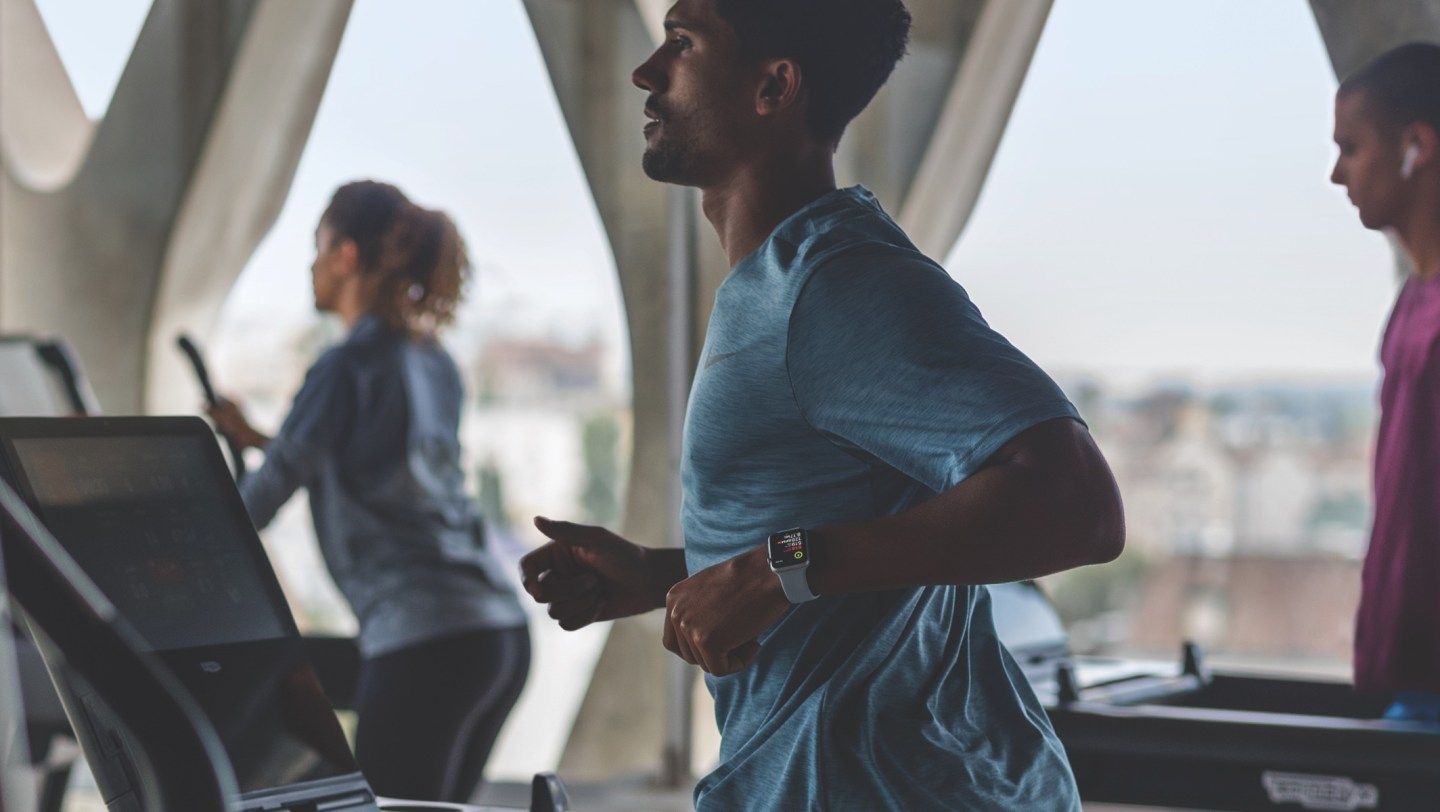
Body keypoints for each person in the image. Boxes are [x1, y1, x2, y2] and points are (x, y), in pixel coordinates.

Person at [519, 1, 1124, 808]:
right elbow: (846, 546)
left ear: (773, 88)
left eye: (683, 44)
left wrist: (777, 567)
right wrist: (665, 576)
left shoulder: (837, 286)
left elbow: (1079, 505)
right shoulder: (778, 287)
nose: (645, 72)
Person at [208, 180, 530, 801]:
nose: (311, 266)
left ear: (346, 256)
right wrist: (259, 438)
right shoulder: (430, 358)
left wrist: (180, 532)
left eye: (318, 247)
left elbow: (260, 503)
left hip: (426, 642)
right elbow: (377, 462)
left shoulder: (343, 367)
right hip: (497, 636)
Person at [1331, 43, 1440, 724]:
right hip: (1407, 677)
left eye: (1352, 147)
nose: (1337, 174)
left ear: (1415, 147)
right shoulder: (1413, 302)